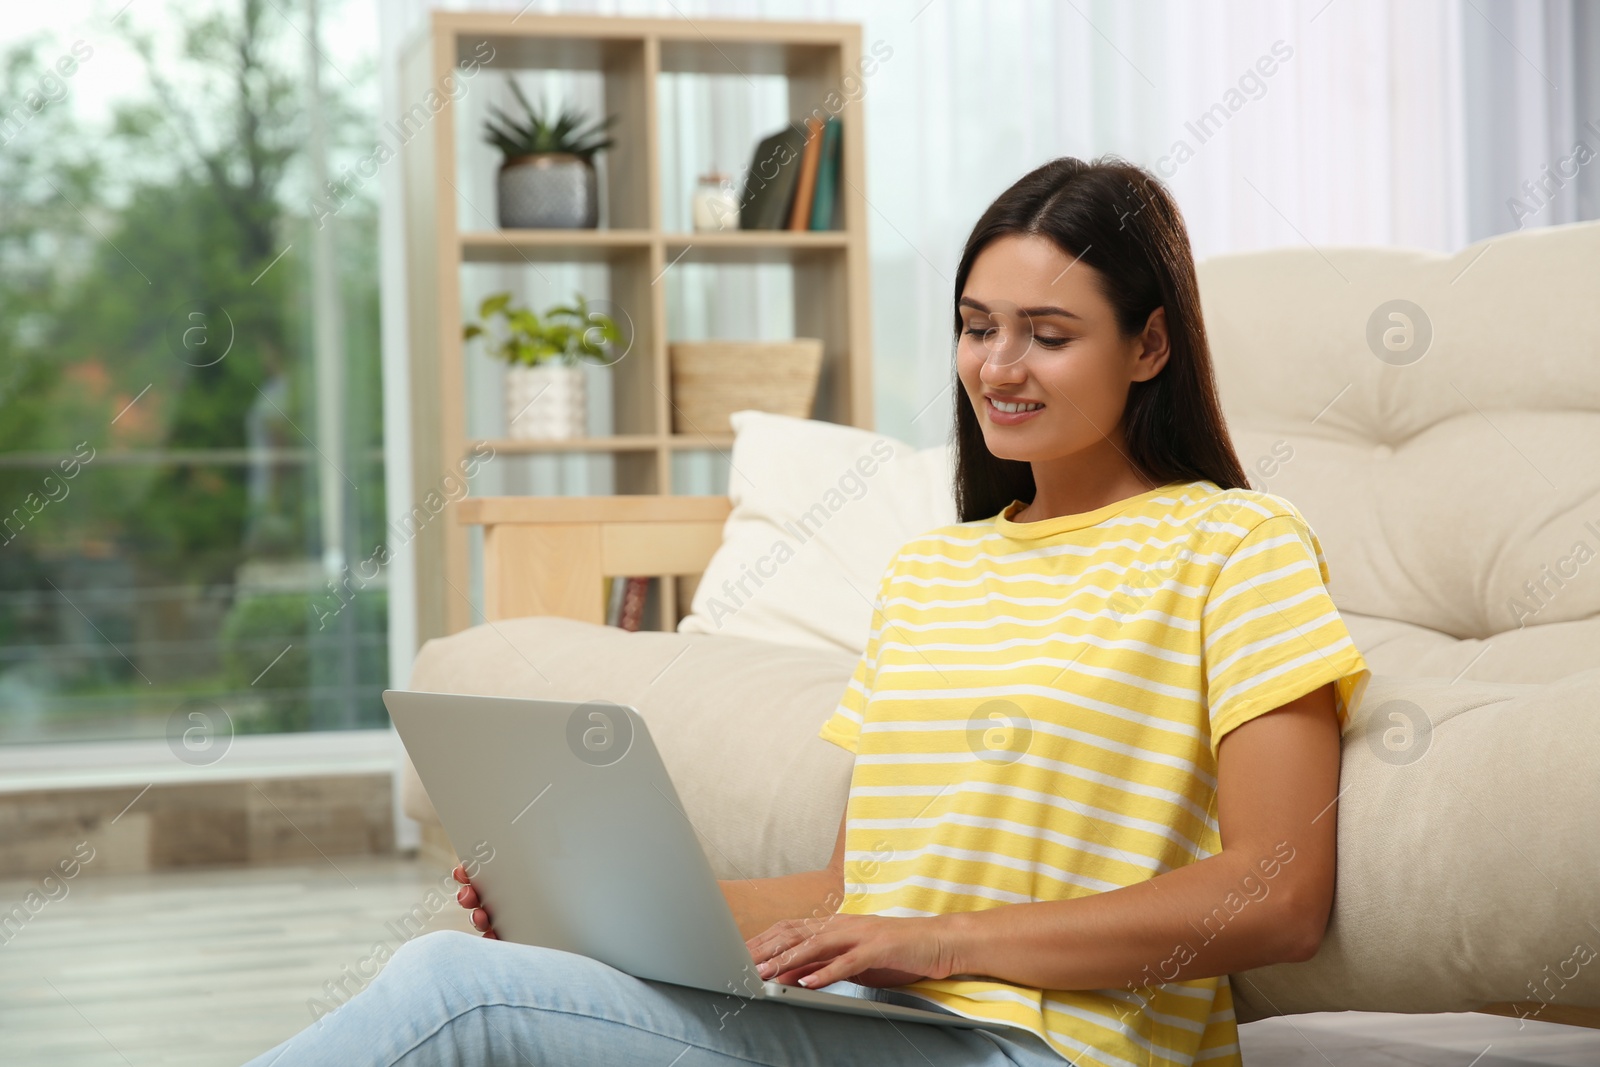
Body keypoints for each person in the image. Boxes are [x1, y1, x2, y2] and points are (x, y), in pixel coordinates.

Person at [243, 155, 1369, 1066]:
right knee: (482, 976)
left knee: (455, 998)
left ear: (1150, 346)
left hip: (1056, 1044)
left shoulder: (1235, 545)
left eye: (1048, 333)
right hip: (876, 1027)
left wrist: (937, 944)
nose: (997, 366)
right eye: (977, 326)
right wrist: (575, 900)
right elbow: (851, 888)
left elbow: (1275, 894)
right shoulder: (929, 570)